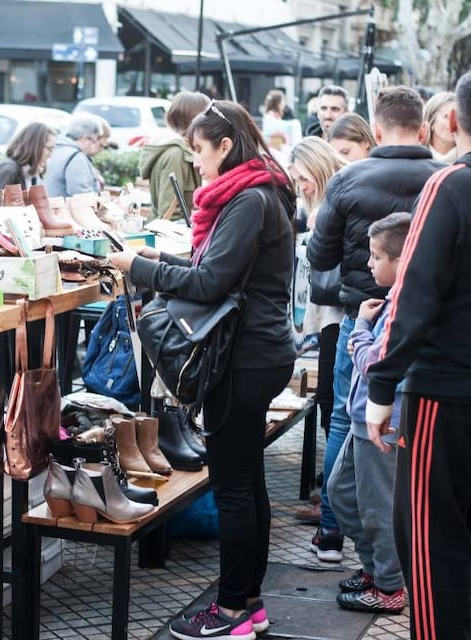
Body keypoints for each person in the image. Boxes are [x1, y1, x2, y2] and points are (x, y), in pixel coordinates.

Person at [109, 100, 297, 640]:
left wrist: (139, 267)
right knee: (247, 482)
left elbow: (210, 282)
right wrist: (152, 263)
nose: (195, 162)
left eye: (199, 150)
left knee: (235, 487)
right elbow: (208, 271)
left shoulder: (249, 200)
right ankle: (250, 602)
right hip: (258, 352)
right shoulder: (257, 193)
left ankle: (233, 609)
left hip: (245, 357)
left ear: (225, 146)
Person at [306, 85, 442, 563]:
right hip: (430, 327)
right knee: (418, 430)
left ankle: (331, 534)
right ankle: (409, 542)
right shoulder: (445, 179)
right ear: (424, 129)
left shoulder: (348, 179)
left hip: (363, 319)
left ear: (376, 130)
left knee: (347, 421)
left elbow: (319, 255)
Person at [366, 69, 471, 640]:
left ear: (451, 121)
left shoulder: (451, 185)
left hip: (446, 394)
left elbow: (413, 294)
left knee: (433, 551)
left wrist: (380, 388)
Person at [327, 212, 410, 614]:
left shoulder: (403, 303)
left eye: (377, 256)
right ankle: (376, 567)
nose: (369, 264)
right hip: (363, 416)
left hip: (380, 421)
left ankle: (391, 585)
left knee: (377, 506)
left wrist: (359, 329)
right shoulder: (393, 299)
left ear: (400, 259)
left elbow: (376, 363)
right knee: (341, 493)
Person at [287, 138, 349, 525]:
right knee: (329, 403)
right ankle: (332, 495)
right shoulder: (318, 202)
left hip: (338, 315)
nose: (302, 187)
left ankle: (334, 504)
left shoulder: (336, 200)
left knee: (332, 404)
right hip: (327, 313)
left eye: (304, 178)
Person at [137, 90, 210, 219]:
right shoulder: (176, 154)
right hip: (170, 235)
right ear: (196, 119)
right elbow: (170, 213)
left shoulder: (177, 148)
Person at [0, 121, 56, 207]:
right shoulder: (8, 170)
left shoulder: (29, 172)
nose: (50, 154)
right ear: (35, 146)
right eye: (49, 149)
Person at [44, 114, 106, 197]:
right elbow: (81, 194)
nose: (93, 145)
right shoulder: (76, 157)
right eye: (94, 141)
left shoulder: (56, 148)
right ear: (85, 138)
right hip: (66, 208)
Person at [261, 88, 302, 164]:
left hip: (276, 143)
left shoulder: (272, 115)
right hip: (274, 143)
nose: (284, 104)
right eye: (283, 101)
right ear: (278, 102)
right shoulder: (271, 115)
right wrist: (294, 124)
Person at [422, 90, 457, 163]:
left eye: (458, 117)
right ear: (431, 122)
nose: (454, 122)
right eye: (446, 116)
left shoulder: (467, 160)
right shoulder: (418, 157)